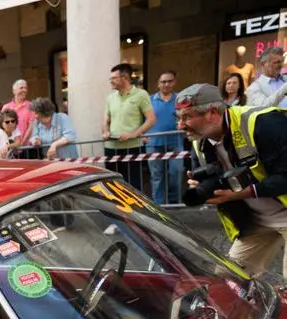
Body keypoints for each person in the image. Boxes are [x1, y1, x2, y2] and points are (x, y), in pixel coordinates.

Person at [178, 83, 287, 278]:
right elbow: (218, 180)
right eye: (179, 118)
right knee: (227, 282)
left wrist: (239, 194)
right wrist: (203, 187)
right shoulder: (199, 142)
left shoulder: (265, 123)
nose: (180, 125)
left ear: (212, 112)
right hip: (257, 222)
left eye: (187, 117)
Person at [103, 63, 156, 191]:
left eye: (113, 78)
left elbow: (151, 119)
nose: (110, 81)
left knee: (133, 185)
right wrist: (105, 131)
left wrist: (133, 135)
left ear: (124, 78)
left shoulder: (141, 94)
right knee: (114, 185)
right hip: (111, 148)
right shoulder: (110, 98)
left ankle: (135, 210)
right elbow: (106, 119)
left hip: (132, 147)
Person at [145, 70, 184, 204]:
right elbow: (141, 119)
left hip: (175, 142)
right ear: (158, 84)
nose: (166, 84)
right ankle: (159, 204)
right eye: (163, 82)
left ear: (174, 82)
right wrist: (142, 135)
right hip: (153, 143)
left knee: (176, 173)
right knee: (157, 176)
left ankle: (174, 202)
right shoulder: (149, 100)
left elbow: (186, 117)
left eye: (169, 81)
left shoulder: (180, 99)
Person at [2, 80, 37, 159]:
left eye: (25, 88)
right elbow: (3, 128)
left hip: (26, 148)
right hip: (10, 148)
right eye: (21, 88)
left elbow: (30, 127)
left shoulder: (31, 106)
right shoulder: (6, 107)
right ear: (14, 91)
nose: (24, 90)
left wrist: (21, 144)